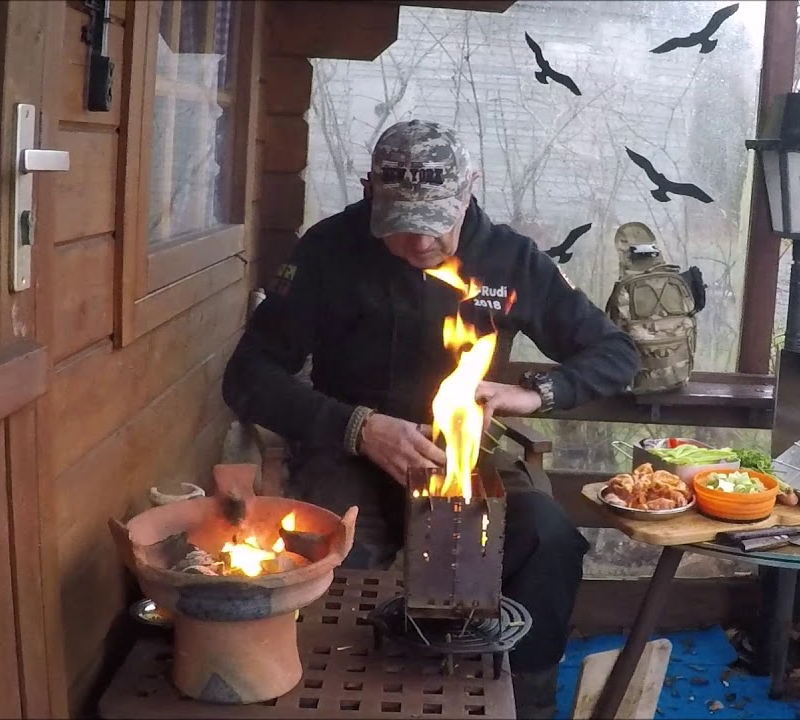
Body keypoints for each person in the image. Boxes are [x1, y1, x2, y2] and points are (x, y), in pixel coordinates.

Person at [222, 119, 640, 718]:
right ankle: (337, 699)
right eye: (401, 226)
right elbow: (247, 376)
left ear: (470, 189)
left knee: (546, 537)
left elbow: (616, 353)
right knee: (329, 557)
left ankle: (525, 702)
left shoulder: (510, 260)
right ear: (370, 191)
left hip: (462, 455)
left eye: (437, 220)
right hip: (348, 451)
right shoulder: (329, 251)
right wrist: (357, 427)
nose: (420, 242)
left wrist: (539, 391)